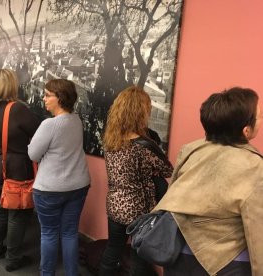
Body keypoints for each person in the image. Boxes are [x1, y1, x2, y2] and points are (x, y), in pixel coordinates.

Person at [155, 87, 263, 275]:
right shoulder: (254, 166)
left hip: (176, 250)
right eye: (259, 116)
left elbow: (173, 198)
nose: (261, 120)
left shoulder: (190, 150)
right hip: (222, 263)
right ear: (246, 130)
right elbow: (258, 234)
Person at [99, 86, 173, 276]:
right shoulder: (145, 146)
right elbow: (168, 169)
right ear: (140, 112)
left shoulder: (111, 140)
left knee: (112, 251)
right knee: (139, 259)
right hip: (140, 212)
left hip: (115, 205)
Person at [28, 79, 90, 276]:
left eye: (48, 95)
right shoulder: (77, 120)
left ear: (60, 98)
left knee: (49, 233)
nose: (43, 98)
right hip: (78, 185)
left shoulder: (49, 125)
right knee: (70, 233)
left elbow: (33, 154)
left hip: (50, 189)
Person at [0, 69, 40, 272]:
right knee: (17, 214)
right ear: (11, 85)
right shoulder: (17, 109)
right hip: (14, 168)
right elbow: (38, 133)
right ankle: (12, 258)